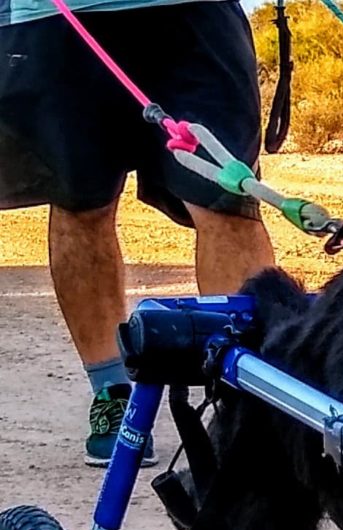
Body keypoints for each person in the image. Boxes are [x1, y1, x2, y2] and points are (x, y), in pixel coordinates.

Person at [0, 0, 275, 465]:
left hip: (192, 11)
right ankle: (112, 393)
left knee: (227, 203)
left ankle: (247, 399)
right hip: (54, 15)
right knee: (80, 203)